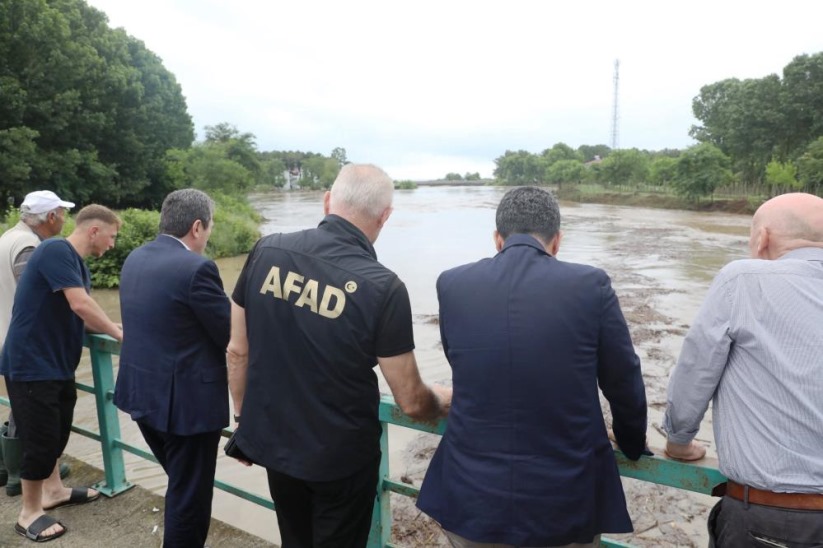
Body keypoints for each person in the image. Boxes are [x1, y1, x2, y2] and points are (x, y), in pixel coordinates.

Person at [227, 163, 451, 547]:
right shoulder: (383, 287)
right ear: (386, 216)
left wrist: (245, 422)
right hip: (340, 459)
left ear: (327, 200)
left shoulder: (267, 249)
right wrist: (446, 398)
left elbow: (237, 351)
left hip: (277, 446)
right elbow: (411, 401)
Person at [416, 186, 649, 547]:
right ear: (556, 241)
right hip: (564, 504)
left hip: (471, 499)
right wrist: (632, 442)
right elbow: (623, 380)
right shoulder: (590, 285)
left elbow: (462, 362)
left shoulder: (453, 284)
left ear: (497, 239)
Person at [663, 192, 823, 546]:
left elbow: (696, 369)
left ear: (763, 238)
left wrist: (678, 441)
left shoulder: (743, 279)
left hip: (771, 520)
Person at [0, 204, 123, 543]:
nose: (112, 245)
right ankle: (29, 513)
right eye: (111, 237)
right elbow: (80, 304)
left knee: (56, 431)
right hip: (31, 364)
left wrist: (111, 324)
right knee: (39, 439)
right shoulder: (55, 249)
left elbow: (80, 312)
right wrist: (121, 335)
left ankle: (53, 491)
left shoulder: (75, 263)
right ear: (94, 231)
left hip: (54, 364)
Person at [115, 188, 230, 548]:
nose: (208, 235)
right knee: (189, 499)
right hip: (186, 411)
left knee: (181, 486)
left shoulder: (136, 257)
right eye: (209, 228)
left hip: (141, 398)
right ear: (197, 227)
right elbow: (231, 335)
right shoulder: (197, 268)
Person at [0, 191, 75, 496]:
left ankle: (14, 468)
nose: (65, 218)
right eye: (62, 212)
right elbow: (37, 296)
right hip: (24, 345)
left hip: (6, 337)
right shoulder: (30, 247)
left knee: (21, 410)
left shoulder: (8, 237)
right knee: (33, 417)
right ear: (51, 217)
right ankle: (22, 475)